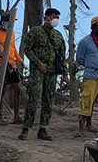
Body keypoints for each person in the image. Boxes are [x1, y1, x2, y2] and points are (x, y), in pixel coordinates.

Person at [20, 8, 66, 141]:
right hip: (37, 70)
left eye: (58, 17)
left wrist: (65, 74)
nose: (56, 19)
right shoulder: (35, 31)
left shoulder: (58, 35)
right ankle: (26, 128)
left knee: (48, 99)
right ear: (46, 17)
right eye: (54, 16)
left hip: (52, 73)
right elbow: (27, 49)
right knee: (34, 97)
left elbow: (62, 55)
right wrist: (38, 63)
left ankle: (43, 128)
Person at [0, 13, 24, 124]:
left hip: (13, 63)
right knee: (1, 91)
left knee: (17, 89)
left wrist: (19, 60)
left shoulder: (11, 33)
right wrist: (2, 60)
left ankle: (16, 115)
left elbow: (13, 48)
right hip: (1, 64)